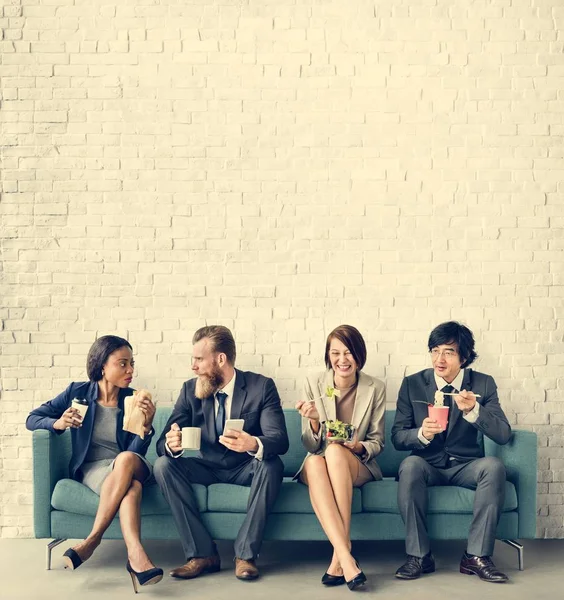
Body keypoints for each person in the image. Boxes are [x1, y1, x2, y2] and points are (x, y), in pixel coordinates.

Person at [26, 335, 163, 592]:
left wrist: (145, 425)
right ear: (102, 366)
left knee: (125, 460)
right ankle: (137, 559)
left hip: (133, 463)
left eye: (132, 363)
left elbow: (134, 452)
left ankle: (92, 540)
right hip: (93, 470)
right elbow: (33, 418)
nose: (131, 370)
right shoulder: (76, 393)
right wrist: (57, 423)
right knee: (131, 489)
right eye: (122, 364)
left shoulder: (133, 399)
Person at [153, 325, 289, 581]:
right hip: (206, 467)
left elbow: (279, 440)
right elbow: (161, 443)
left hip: (245, 467)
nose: (193, 366)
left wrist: (253, 443)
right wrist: (172, 443)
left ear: (221, 359)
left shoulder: (261, 387)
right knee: (162, 465)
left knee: (273, 465)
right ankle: (202, 555)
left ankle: (245, 555)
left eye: (199, 359)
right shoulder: (189, 390)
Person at [391, 321, 512, 583]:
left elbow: (503, 434)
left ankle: (475, 557)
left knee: (494, 466)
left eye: (448, 352)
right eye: (435, 351)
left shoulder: (483, 384)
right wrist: (421, 433)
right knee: (409, 465)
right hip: (427, 465)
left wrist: (474, 411)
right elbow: (398, 438)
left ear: (464, 357)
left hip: (466, 466)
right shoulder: (412, 384)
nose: (439, 359)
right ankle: (419, 556)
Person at [295, 325, 386, 591]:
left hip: (357, 462)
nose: (342, 360)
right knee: (314, 460)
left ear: (359, 355)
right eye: (335, 353)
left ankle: (340, 557)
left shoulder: (375, 387)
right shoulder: (314, 383)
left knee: (336, 451)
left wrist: (357, 446)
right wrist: (313, 423)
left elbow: (378, 441)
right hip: (321, 459)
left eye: (348, 353)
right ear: (328, 355)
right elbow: (311, 446)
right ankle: (345, 557)